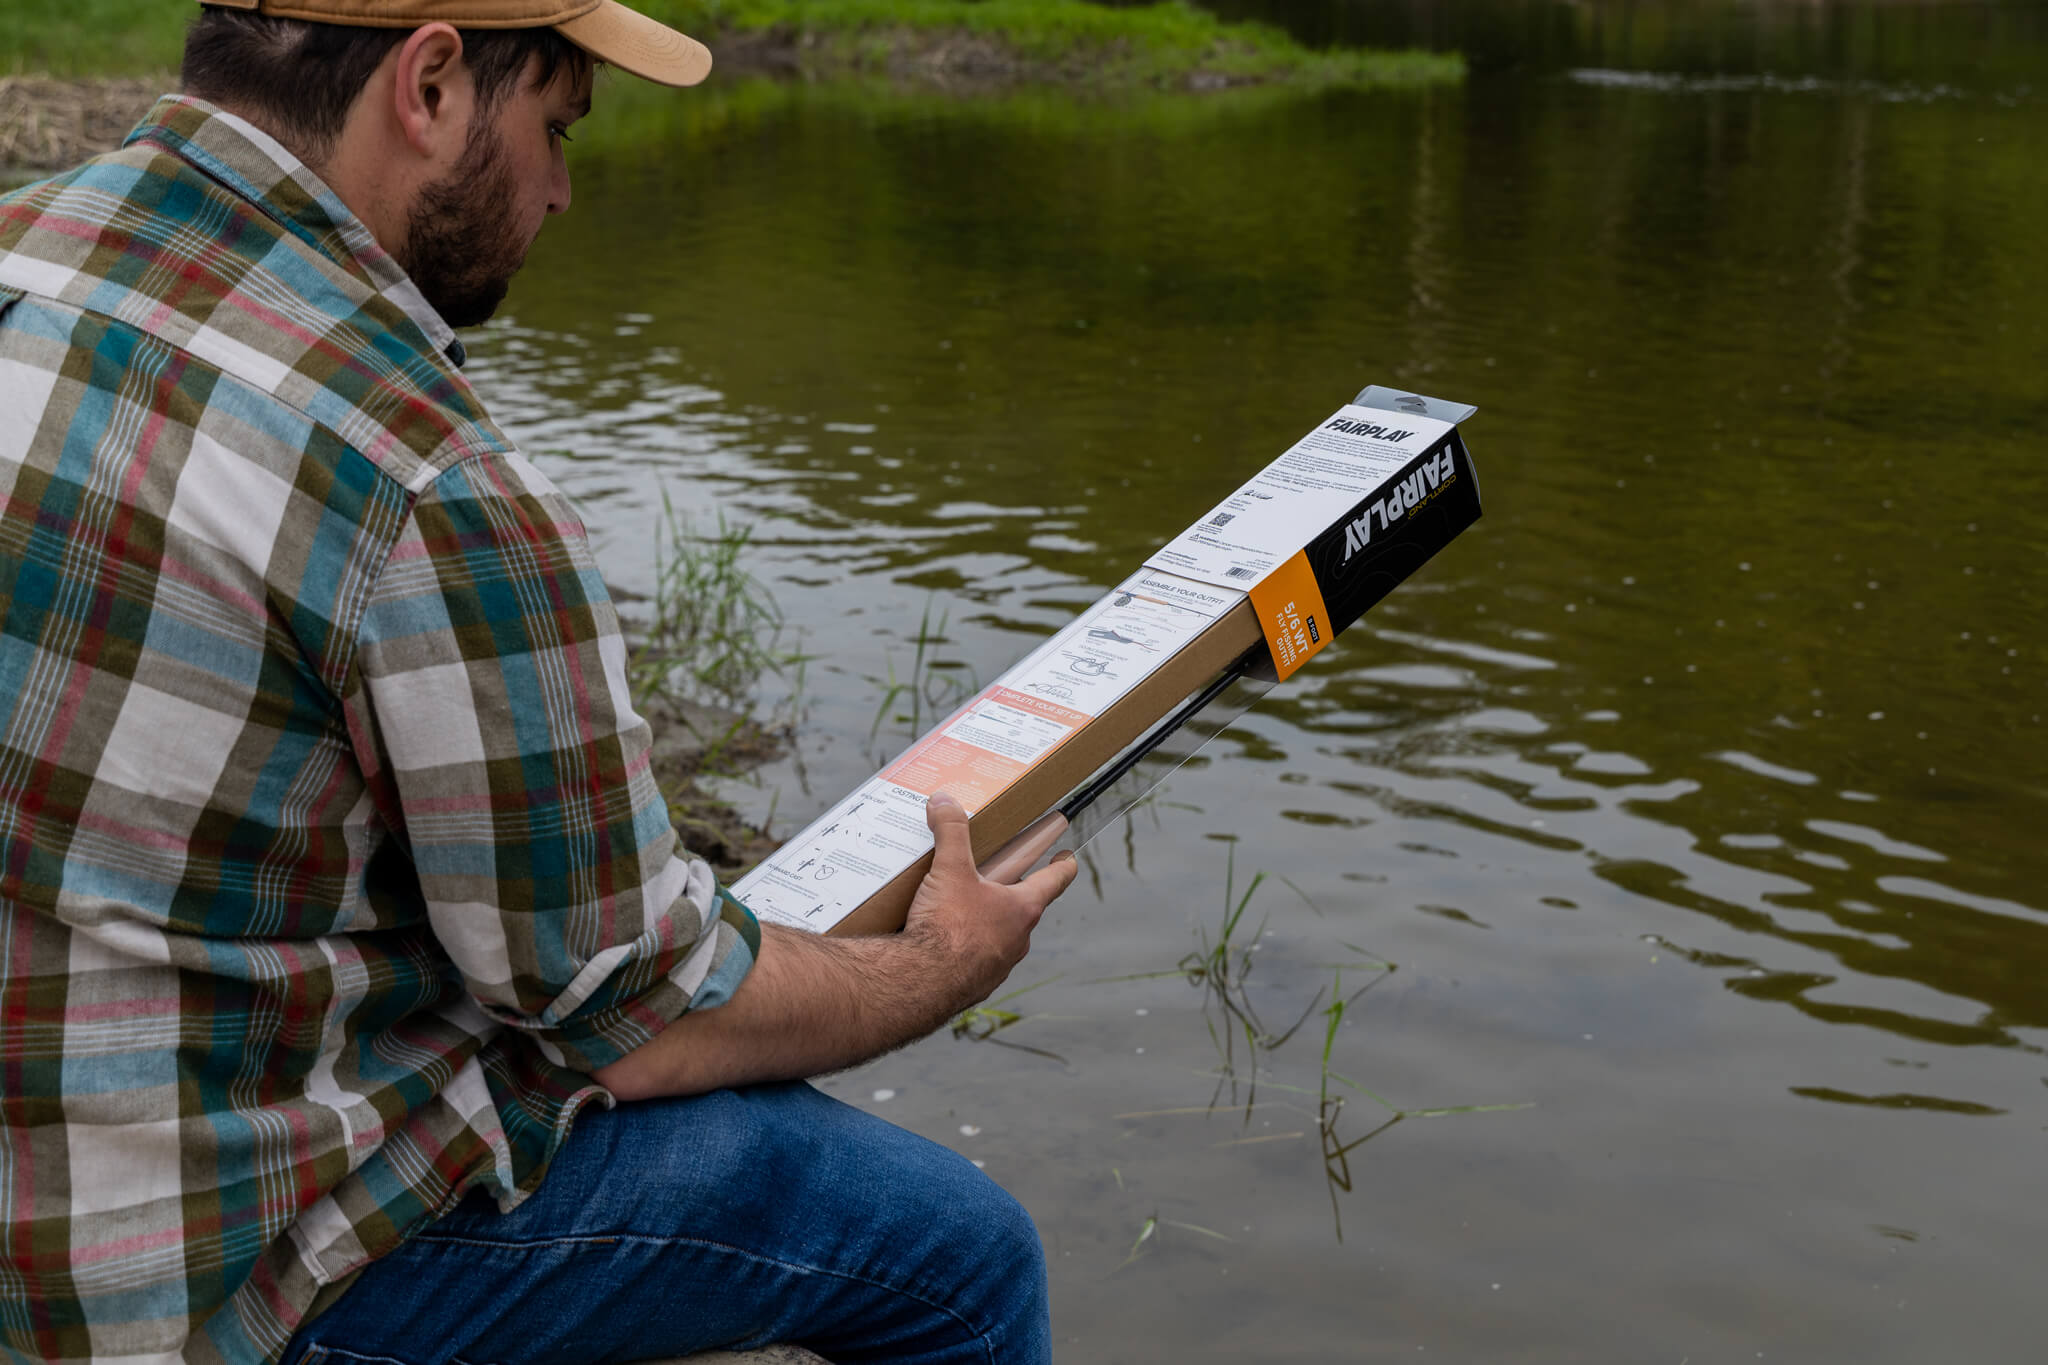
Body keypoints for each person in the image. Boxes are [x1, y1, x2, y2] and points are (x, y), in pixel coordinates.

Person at [0, 3, 1078, 1362]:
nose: (562, 188)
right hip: (183, 1296)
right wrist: (931, 962)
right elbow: (630, 1017)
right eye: (556, 127)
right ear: (434, 84)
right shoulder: (428, 479)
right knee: (959, 1260)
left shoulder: (23, 252)